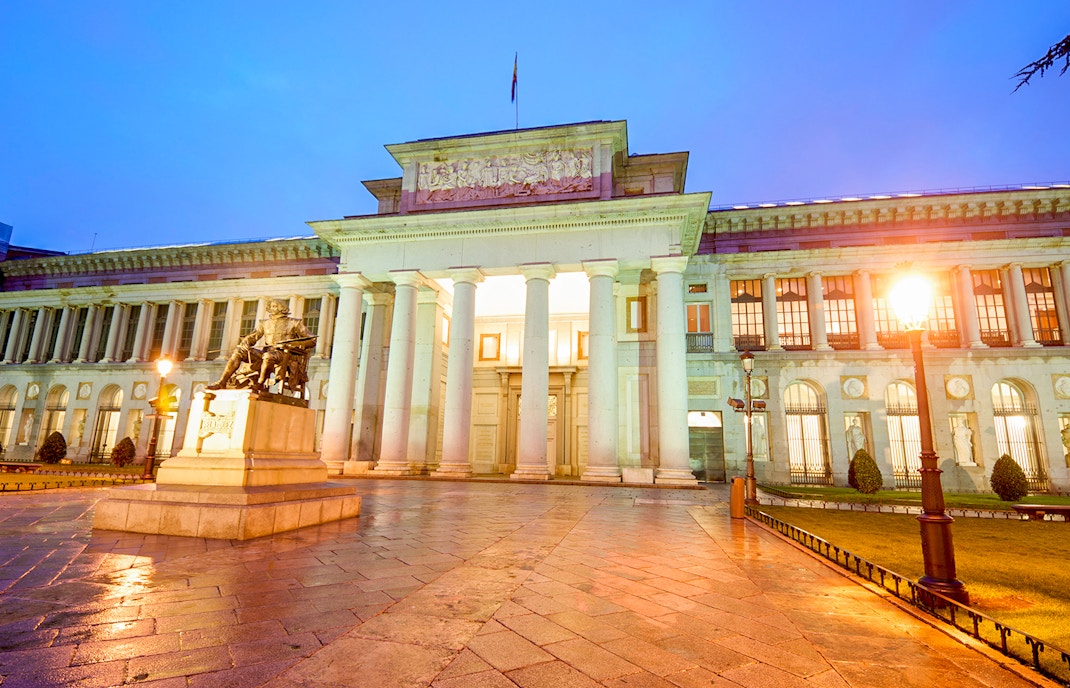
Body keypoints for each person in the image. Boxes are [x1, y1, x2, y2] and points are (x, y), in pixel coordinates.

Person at [208, 299, 314, 393]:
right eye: (271, 306)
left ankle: (260, 384)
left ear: (282, 308)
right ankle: (222, 381)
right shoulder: (264, 323)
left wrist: (292, 344)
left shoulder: (294, 323)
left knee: (268, 356)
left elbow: (312, 340)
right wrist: (245, 342)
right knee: (239, 351)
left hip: (284, 355)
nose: (272, 308)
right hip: (266, 353)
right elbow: (253, 336)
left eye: (275, 306)